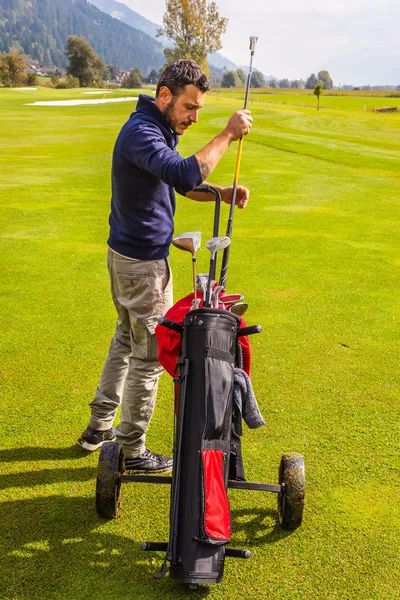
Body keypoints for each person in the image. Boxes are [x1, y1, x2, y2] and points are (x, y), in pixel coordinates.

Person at [78, 60, 252, 473]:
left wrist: (220, 193)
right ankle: (132, 450)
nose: (194, 117)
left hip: (128, 257)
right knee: (149, 356)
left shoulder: (154, 128)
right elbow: (180, 170)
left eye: (199, 110)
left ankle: (98, 427)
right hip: (141, 266)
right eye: (190, 107)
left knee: (125, 340)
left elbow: (180, 182)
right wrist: (227, 133)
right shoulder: (142, 132)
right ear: (164, 96)